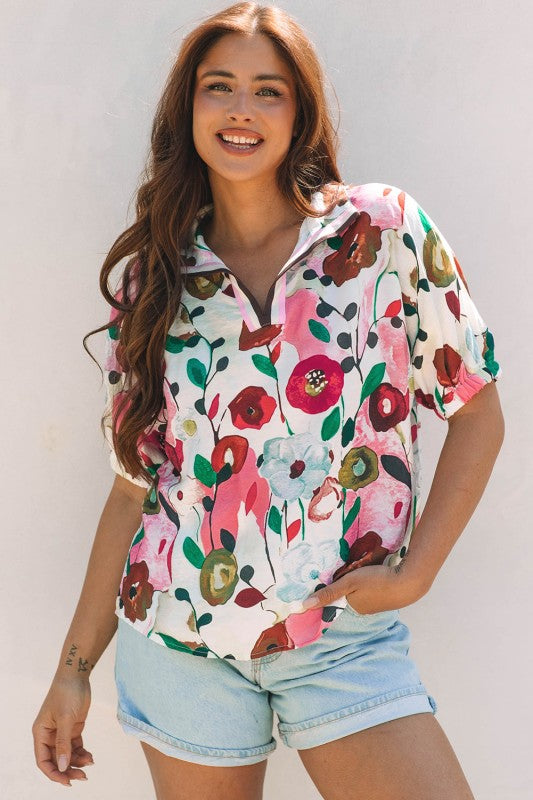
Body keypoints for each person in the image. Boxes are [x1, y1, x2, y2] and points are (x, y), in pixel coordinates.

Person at [32, 3, 504, 798]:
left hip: (339, 635)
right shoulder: (156, 281)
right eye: (219, 87)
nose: (241, 109)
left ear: (300, 112)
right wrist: (72, 672)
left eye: (268, 90)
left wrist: (414, 574)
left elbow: (476, 414)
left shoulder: (380, 232)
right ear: (189, 110)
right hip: (178, 641)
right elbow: (132, 487)